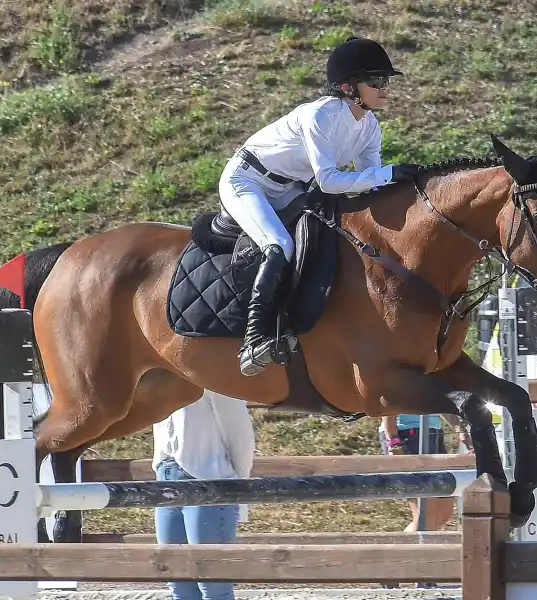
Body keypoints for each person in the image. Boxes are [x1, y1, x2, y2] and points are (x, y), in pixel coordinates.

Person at [217, 35, 423, 377]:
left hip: (290, 187)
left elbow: (368, 183)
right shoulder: (321, 115)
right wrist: (387, 173)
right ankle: (254, 340)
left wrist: (406, 183)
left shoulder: (369, 127)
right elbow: (328, 181)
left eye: (385, 81)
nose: (385, 88)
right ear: (347, 87)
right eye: (376, 81)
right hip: (247, 180)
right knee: (279, 244)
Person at [152, 390, 255, 600]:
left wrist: (240, 490)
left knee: (213, 584)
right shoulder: (159, 377)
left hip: (208, 482)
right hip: (167, 480)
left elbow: (240, 435)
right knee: (176, 579)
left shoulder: (217, 379)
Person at [380, 414, 474, 532]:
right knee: (425, 518)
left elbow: (441, 406)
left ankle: (405, 543)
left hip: (433, 433)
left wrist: (460, 429)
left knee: (443, 514)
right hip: (406, 434)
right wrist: (393, 442)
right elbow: (386, 407)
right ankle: (409, 544)